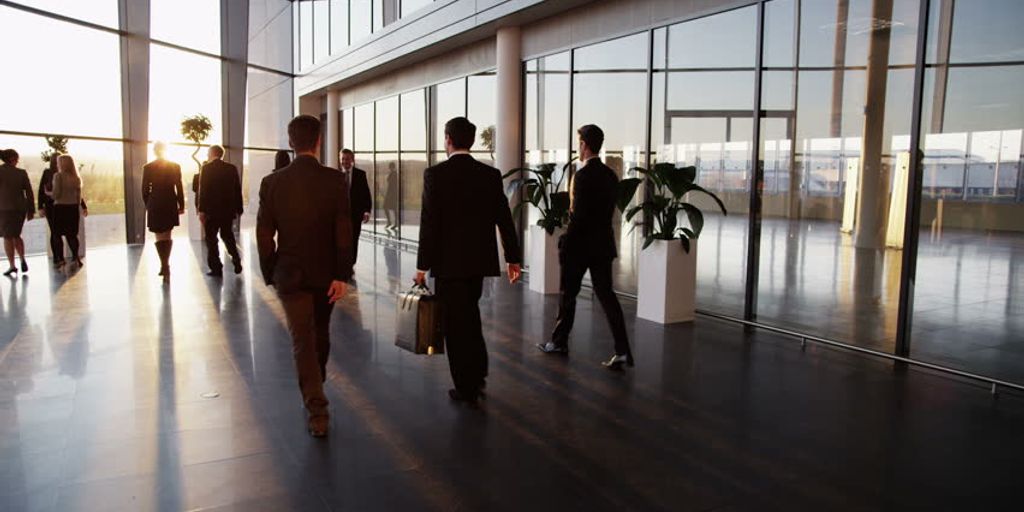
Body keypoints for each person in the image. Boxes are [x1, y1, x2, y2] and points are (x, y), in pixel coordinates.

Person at [256, 115, 353, 438]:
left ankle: (316, 407)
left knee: (304, 341)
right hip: (326, 274)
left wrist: (269, 269)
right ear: (319, 141)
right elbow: (343, 230)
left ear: (290, 142)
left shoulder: (272, 182)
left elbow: (264, 233)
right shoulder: (336, 180)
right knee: (319, 332)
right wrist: (342, 274)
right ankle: (317, 393)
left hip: (290, 275)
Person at [415, 117, 522, 405]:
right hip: (477, 264)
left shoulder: (435, 175)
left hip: (448, 265)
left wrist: (422, 266)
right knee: (469, 316)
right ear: (471, 141)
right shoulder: (488, 174)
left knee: (455, 325)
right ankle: (478, 373)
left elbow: (429, 224)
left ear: (447, 139)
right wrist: (513, 258)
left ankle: (467, 386)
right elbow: (504, 218)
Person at [537, 125, 634, 370]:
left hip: (580, 247)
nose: (578, 147)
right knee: (607, 296)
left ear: (585, 145)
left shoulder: (580, 177)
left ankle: (559, 343)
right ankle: (622, 351)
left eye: (579, 142)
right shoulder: (610, 176)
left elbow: (578, 217)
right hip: (602, 245)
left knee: (568, 296)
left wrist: (566, 242)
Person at [197, 145, 243, 277]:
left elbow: (203, 191)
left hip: (211, 211)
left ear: (212, 153)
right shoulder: (231, 168)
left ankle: (216, 268)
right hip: (227, 211)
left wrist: (201, 210)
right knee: (228, 236)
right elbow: (237, 189)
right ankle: (236, 259)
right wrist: (239, 208)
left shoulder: (206, 168)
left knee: (211, 240)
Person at [142, 142, 185, 281]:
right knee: (167, 233)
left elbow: (144, 190)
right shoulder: (175, 166)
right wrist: (181, 205)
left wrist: (148, 204)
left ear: (154, 151)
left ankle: (164, 265)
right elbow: (179, 187)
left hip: (155, 202)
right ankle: (165, 264)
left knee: (158, 235)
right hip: (169, 201)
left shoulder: (148, 167)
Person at [0, 149, 34, 276]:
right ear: (13, 158)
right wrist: (31, 210)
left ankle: (12, 265)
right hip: (20, 209)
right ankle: (22, 258)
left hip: (4, 209)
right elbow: (29, 192)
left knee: (8, 237)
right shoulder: (21, 173)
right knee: (16, 234)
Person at [52, 154, 86, 268]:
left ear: (61, 164)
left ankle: (60, 260)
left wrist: (48, 193)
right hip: (72, 209)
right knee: (72, 235)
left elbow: (56, 194)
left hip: (60, 208)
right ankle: (76, 257)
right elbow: (78, 197)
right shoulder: (76, 178)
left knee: (57, 235)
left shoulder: (58, 176)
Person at [339, 149, 372, 264]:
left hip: (356, 214)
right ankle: (343, 263)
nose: (344, 161)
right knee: (342, 241)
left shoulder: (360, 175)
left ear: (352, 160)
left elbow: (366, 194)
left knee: (354, 240)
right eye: (342, 159)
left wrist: (367, 211)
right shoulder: (336, 175)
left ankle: (351, 264)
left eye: (347, 158)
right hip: (341, 216)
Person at [38, 157, 64, 266]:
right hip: (51, 206)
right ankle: (58, 257)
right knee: (55, 232)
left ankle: (60, 257)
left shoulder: (64, 173)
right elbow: (41, 190)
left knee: (58, 232)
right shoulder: (47, 172)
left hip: (62, 205)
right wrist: (40, 207)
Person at [383, 161, 398, 233]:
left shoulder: (393, 174)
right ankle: (394, 222)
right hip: (392, 194)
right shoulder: (394, 174)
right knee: (393, 208)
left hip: (391, 194)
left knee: (387, 207)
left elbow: (389, 181)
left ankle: (391, 222)